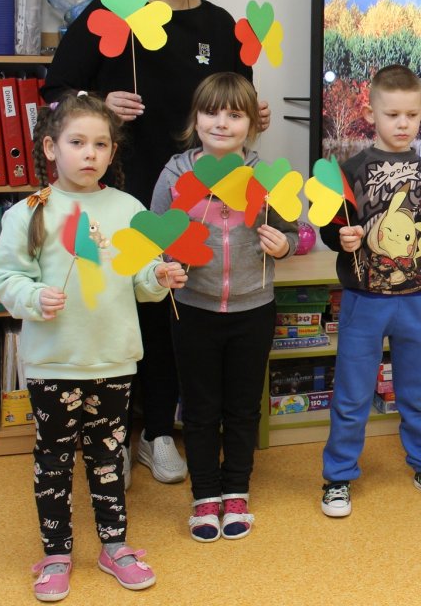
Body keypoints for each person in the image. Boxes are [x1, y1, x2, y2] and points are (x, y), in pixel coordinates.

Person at [43, 0, 270, 486]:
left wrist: (255, 112)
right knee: (118, 306)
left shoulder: (219, 25)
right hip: (120, 188)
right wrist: (98, 104)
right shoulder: (111, 13)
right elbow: (55, 92)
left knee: (174, 307)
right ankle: (113, 434)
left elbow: (236, 101)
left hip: (196, 196)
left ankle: (158, 433)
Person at [0, 93, 187, 602]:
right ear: (51, 147)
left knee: (108, 457)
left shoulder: (128, 209)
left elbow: (141, 280)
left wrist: (159, 277)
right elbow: (6, 280)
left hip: (114, 358)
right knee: (54, 461)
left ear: (112, 152)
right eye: (77, 142)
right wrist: (34, 296)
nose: (89, 153)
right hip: (55, 362)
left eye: (101, 144)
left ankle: (114, 546)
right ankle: (56, 554)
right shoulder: (29, 212)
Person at [151, 73, 299, 542]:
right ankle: (204, 495)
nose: (221, 123)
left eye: (234, 114)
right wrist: (165, 264)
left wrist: (284, 246)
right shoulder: (176, 174)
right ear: (195, 119)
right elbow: (154, 237)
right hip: (192, 310)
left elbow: (295, 233)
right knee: (199, 409)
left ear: (251, 123)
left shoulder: (264, 176)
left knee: (242, 408)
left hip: (253, 309)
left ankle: (236, 490)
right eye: (211, 112)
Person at [318, 64, 421, 518]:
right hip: (363, 302)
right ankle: (338, 476)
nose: (403, 124)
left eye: (411, 115)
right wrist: (339, 237)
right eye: (392, 114)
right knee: (352, 394)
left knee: (419, 391)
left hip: (417, 300)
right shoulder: (349, 171)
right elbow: (330, 227)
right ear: (370, 114)